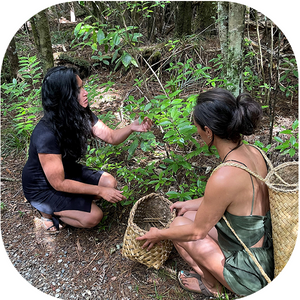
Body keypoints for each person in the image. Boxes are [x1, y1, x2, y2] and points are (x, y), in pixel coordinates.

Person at [136, 88, 274, 297]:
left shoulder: (224, 174)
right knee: (187, 215)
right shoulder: (253, 152)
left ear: (208, 131)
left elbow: (196, 233)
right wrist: (189, 204)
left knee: (180, 225)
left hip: (250, 272)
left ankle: (212, 286)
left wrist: (159, 233)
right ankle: (215, 277)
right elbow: (232, 197)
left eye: (198, 129)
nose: (198, 134)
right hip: (263, 251)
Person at [22, 66, 152, 233]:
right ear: (63, 95)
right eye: (78, 89)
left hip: (66, 171)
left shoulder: (79, 115)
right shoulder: (46, 134)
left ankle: (75, 203)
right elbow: (58, 183)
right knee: (93, 217)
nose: (85, 92)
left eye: (83, 86)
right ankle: (48, 212)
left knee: (109, 183)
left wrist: (132, 127)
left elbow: (111, 137)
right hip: (43, 187)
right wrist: (99, 191)